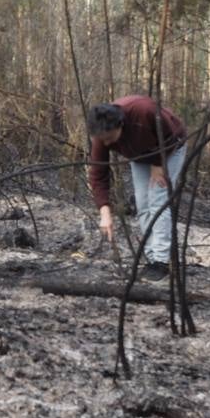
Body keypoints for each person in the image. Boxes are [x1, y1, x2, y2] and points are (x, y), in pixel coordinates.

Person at [86, 95, 188, 280]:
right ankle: (151, 258)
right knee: (143, 204)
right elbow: (98, 173)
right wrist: (105, 211)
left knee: (158, 199)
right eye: (103, 140)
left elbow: (171, 134)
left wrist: (159, 163)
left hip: (170, 148)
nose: (107, 144)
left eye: (110, 138)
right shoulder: (101, 135)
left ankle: (162, 261)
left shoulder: (142, 111)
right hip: (139, 155)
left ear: (120, 125)